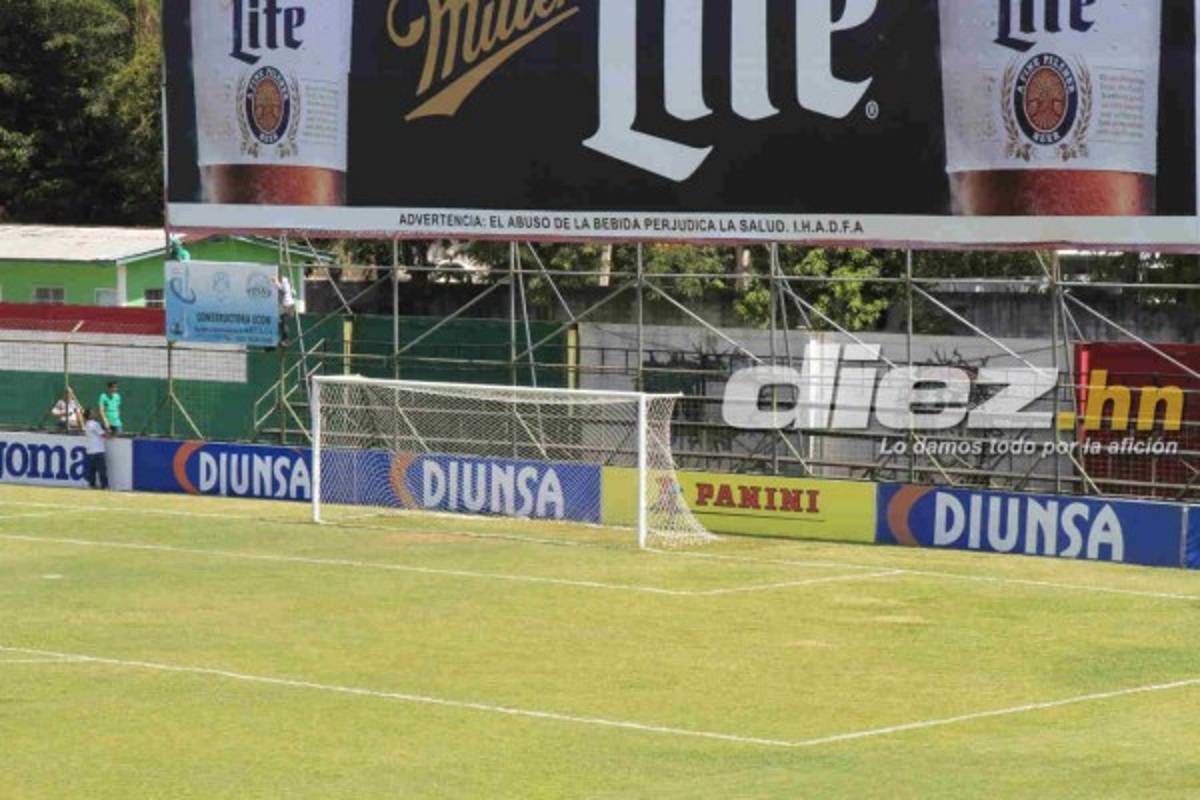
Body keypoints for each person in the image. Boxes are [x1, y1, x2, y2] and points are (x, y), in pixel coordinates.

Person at [82, 409, 109, 489]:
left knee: (92, 471)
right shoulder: (95, 424)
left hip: (90, 451)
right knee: (102, 470)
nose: (94, 413)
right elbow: (103, 435)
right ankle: (104, 486)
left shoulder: (86, 424)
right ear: (89, 415)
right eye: (92, 413)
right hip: (98, 451)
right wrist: (110, 433)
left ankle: (92, 485)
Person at [275, 275, 297, 346]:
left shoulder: (284, 280)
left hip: (287, 306)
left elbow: (284, 291)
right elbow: (294, 293)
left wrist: (275, 282)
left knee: (283, 323)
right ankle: (283, 340)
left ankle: (286, 340)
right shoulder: (287, 281)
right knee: (281, 323)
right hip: (288, 305)